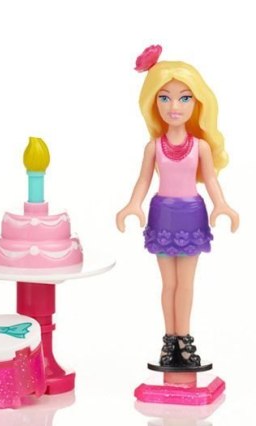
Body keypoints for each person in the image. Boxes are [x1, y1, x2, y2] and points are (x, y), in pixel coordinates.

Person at [116, 45, 239, 369]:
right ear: (152, 102)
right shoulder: (153, 147)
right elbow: (143, 180)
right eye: (164, 97)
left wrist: (222, 204)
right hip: (162, 216)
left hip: (191, 216)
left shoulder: (200, 147)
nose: (174, 106)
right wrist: (133, 204)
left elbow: (210, 179)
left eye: (184, 98)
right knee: (168, 283)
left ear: (197, 102)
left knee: (185, 283)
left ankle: (184, 341)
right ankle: (169, 341)